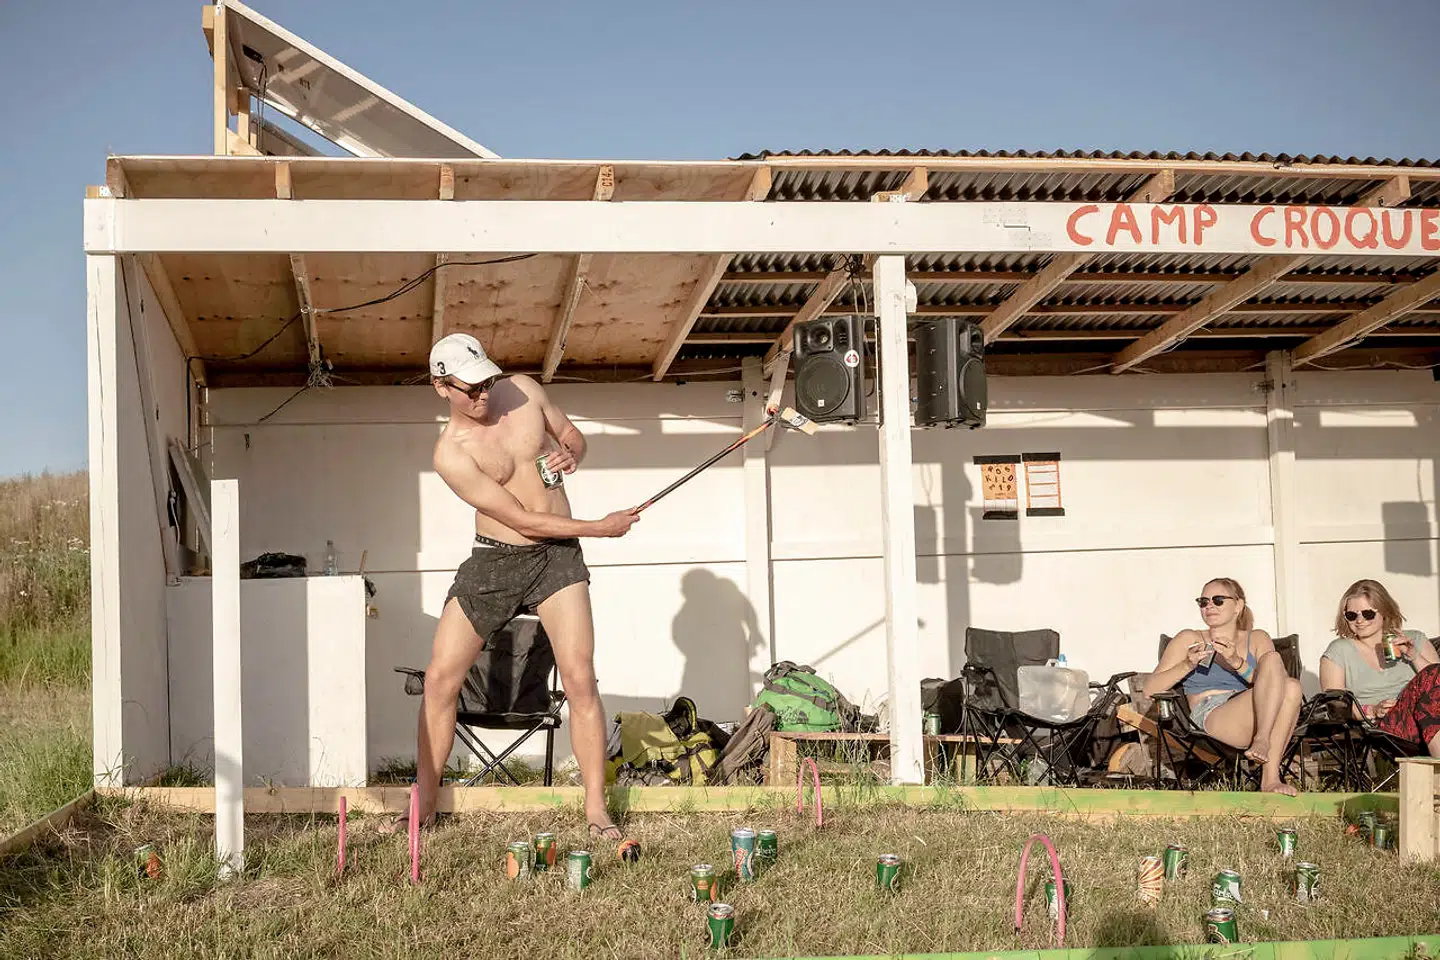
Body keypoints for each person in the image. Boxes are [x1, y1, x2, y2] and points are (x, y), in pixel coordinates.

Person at [386, 333, 640, 840]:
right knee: (439, 680)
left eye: (487, 381)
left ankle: (596, 812)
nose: (483, 394)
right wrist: (600, 527)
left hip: (557, 559)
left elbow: (572, 435)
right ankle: (426, 805)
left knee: (581, 677)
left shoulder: (523, 390)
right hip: (495, 560)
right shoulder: (449, 454)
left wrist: (572, 452)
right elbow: (521, 521)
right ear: (441, 387)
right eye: (470, 388)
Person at [1142, 577, 1302, 795]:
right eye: (1203, 601)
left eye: (1218, 600)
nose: (1209, 606)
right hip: (1213, 711)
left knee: (1286, 679)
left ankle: (1269, 777)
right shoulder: (1189, 637)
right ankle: (1263, 747)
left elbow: (1277, 682)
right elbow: (1150, 689)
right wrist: (1187, 664)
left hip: (1258, 708)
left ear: (1238, 605)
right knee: (1289, 686)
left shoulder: (1256, 638)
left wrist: (1237, 662)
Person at [1318, 578, 1440, 757]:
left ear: (1384, 611)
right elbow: (1336, 707)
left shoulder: (1415, 639)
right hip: (1387, 728)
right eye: (1352, 615)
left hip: (1428, 718)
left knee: (1432, 678)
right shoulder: (1339, 651)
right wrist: (1373, 710)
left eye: (1367, 614)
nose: (1360, 621)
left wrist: (1413, 654)